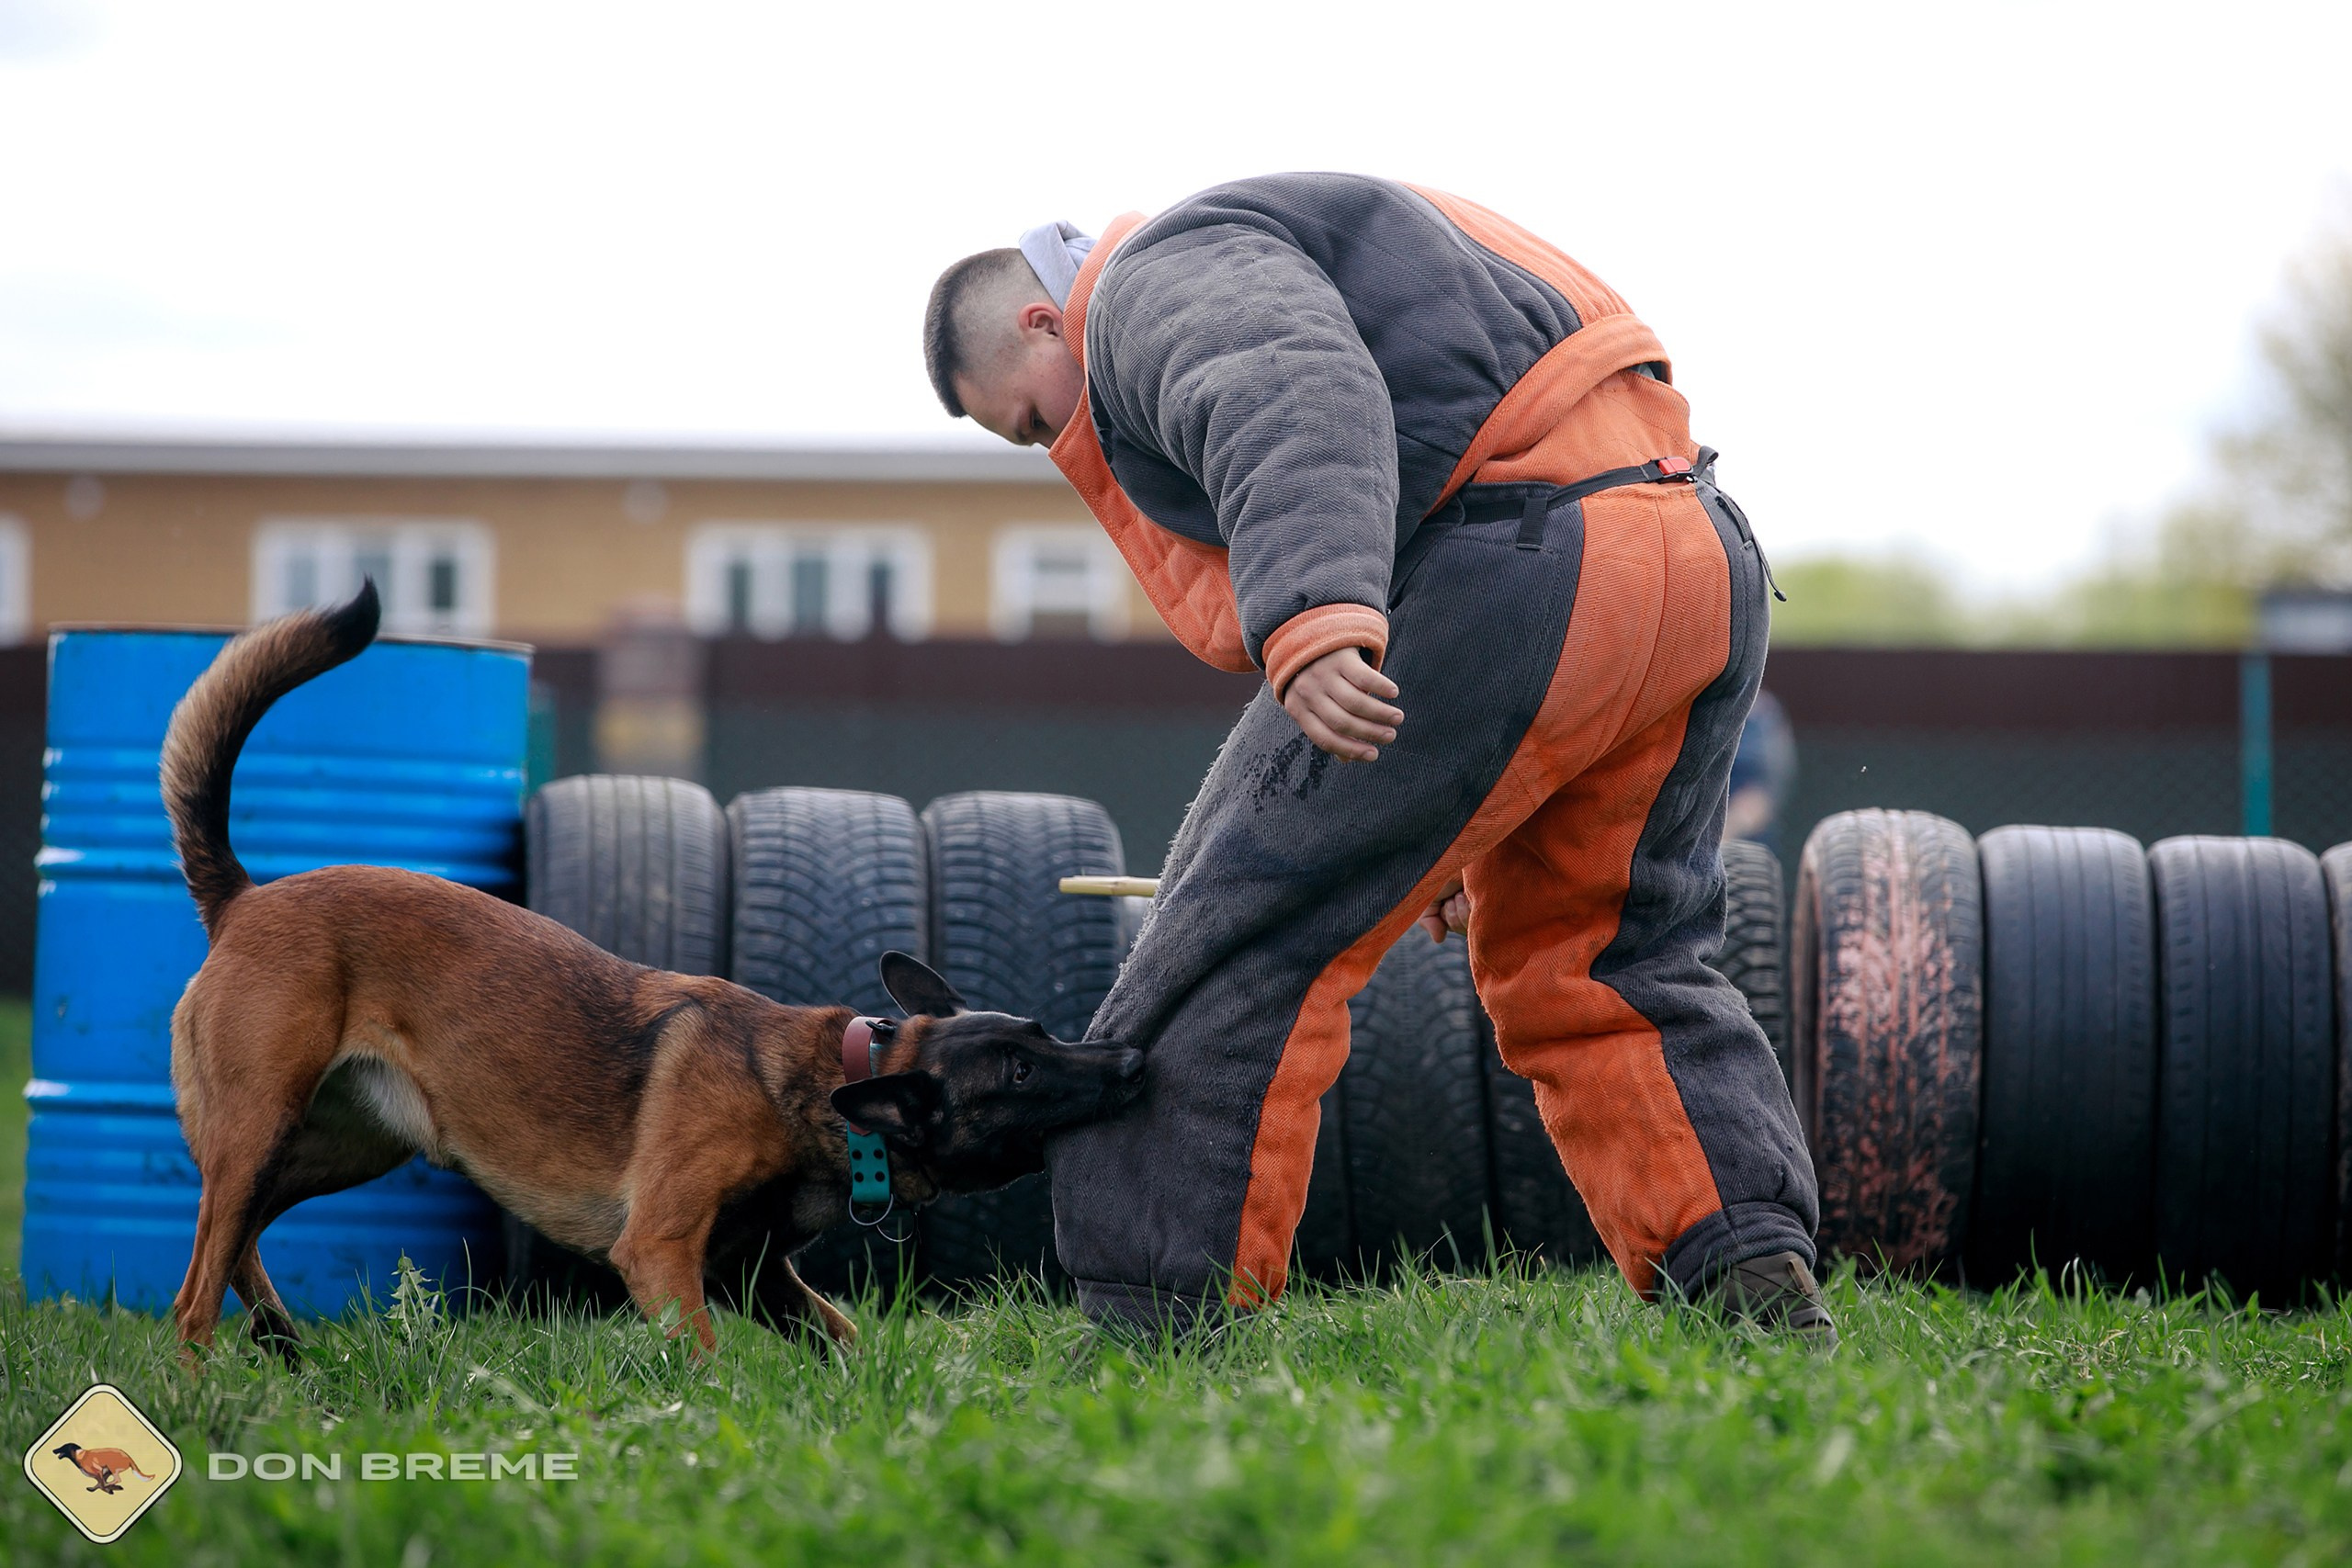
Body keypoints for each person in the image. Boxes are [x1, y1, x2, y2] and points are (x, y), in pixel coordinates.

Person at [922, 175, 1831, 1345]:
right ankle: (1751, 1280)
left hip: (1524, 560)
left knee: (1234, 933)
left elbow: (1289, 381)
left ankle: (1159, 1321)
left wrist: (1311, 613)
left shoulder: (1151, 280)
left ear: (1046, 322)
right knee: (1614, 952)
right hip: (1692, 552)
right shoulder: (1303, 233)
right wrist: (1452, 819)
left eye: (1034, 420)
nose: (1053, 444)